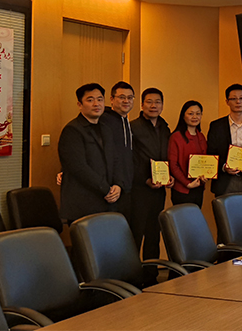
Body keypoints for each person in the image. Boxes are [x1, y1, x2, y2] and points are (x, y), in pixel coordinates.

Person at [58, 83, 124, 221]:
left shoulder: (106, 129)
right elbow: (78, 168)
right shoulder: (72, 130)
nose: (96, 104)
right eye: (90, 100)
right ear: (80, 104)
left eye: (100, 99)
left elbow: (115, 159)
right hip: (83, 203)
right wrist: (105, 189)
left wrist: (118, 185)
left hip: (107, 202)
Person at [129, 87, 172, 266]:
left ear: (162, 105)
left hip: (158, 190)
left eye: (157, 102)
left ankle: (151, 275)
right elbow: (130, 160)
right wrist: (145, 179)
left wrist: (169, 176)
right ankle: (131, 275)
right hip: (139, 189)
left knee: (154, 233)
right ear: (141, 105)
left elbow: (168, 157)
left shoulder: (165, 128)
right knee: (135, 233)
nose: (153, 106)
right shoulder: (132, 127)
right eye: (149, 102)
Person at [207, 84, 242, 197]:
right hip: (224, 181)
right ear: (227, 102)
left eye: (241, 98)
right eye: (233, 98)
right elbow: (211, 153)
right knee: (223, 209)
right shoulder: (216, 126)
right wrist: (224, 167)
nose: (238, 102)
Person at [104, 81, 135, 216]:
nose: (126, 101)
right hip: (111, 188)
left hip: (127, 186)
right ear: (112, 99)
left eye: (130, 97)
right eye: (122, 97)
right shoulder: (104, 121)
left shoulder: (127, 121)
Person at [169, 100, 208, 207]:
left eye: (198, 113)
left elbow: (205, 162)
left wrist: (206, 176)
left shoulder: (201, 136)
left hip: (199, 187)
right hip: (182, 189)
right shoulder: (176, 137)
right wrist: (187, 183)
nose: (195, 117)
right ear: (183, 116)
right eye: (190, 114)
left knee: (196, 216)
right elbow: (173, 165)